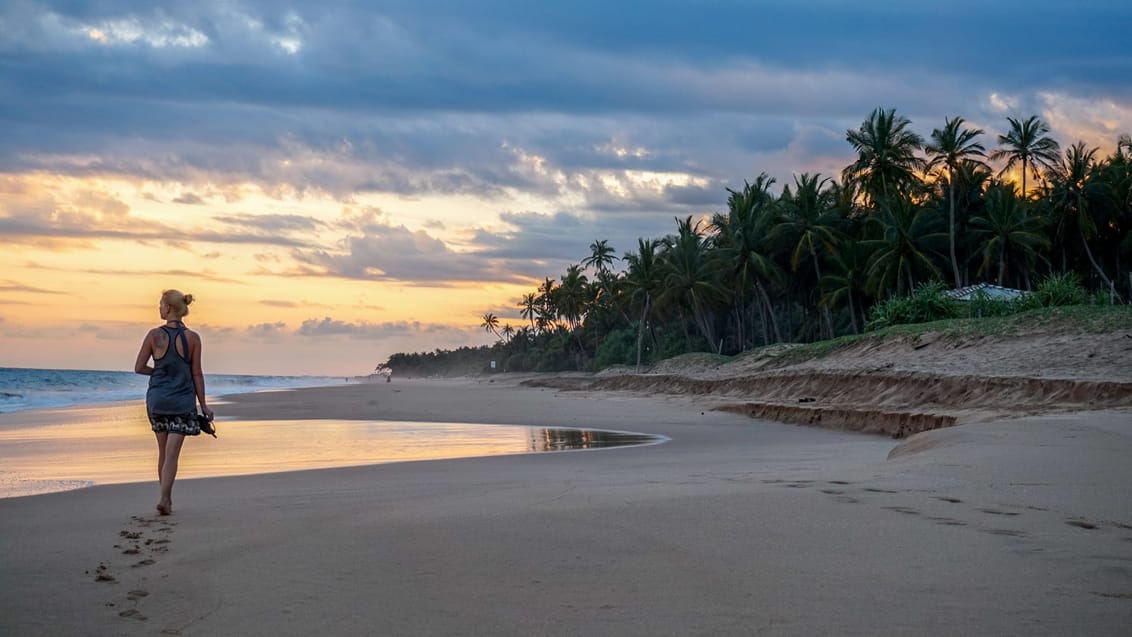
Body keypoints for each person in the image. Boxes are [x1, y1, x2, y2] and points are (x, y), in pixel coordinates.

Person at [133, 289, 214, 516]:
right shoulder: (193, 339)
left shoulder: (153, 336)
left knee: (162, 452)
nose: (159, 308)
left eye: (160, 304)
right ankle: (165, 498)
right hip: (181, 400)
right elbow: (196, 374)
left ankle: (165, 498)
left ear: (168, 308)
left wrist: (160, 373)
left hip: (157, 400)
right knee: (171, 455)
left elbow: (139, 368)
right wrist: (204, 406)